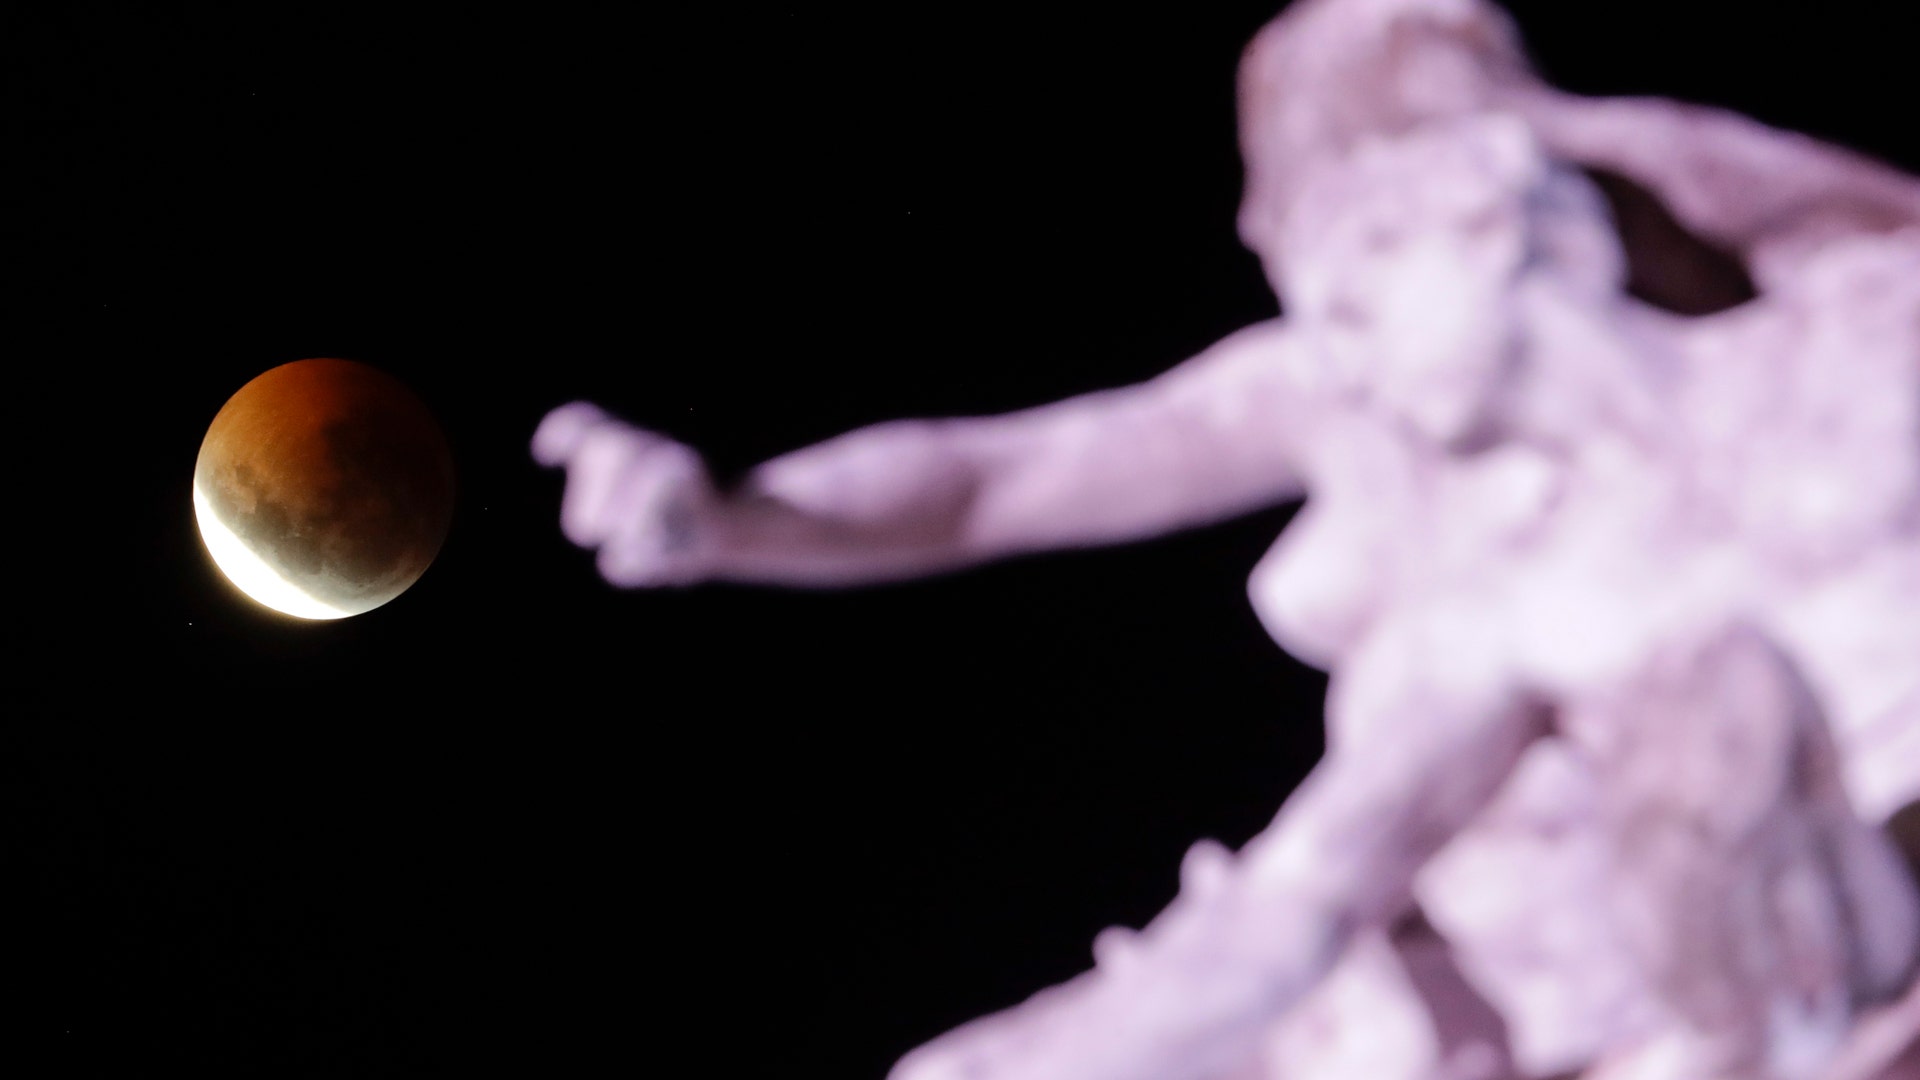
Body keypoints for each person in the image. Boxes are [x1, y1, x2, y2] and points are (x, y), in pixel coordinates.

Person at [535, 2, 1920, 1076]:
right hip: (1666, 1000)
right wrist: (743, 517)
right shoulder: (1500, 601)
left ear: (1496, 200)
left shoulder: (1865, 341)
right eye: (1309, 283)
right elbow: (1006, 481)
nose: (1333, 328)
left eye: (1364, 255)